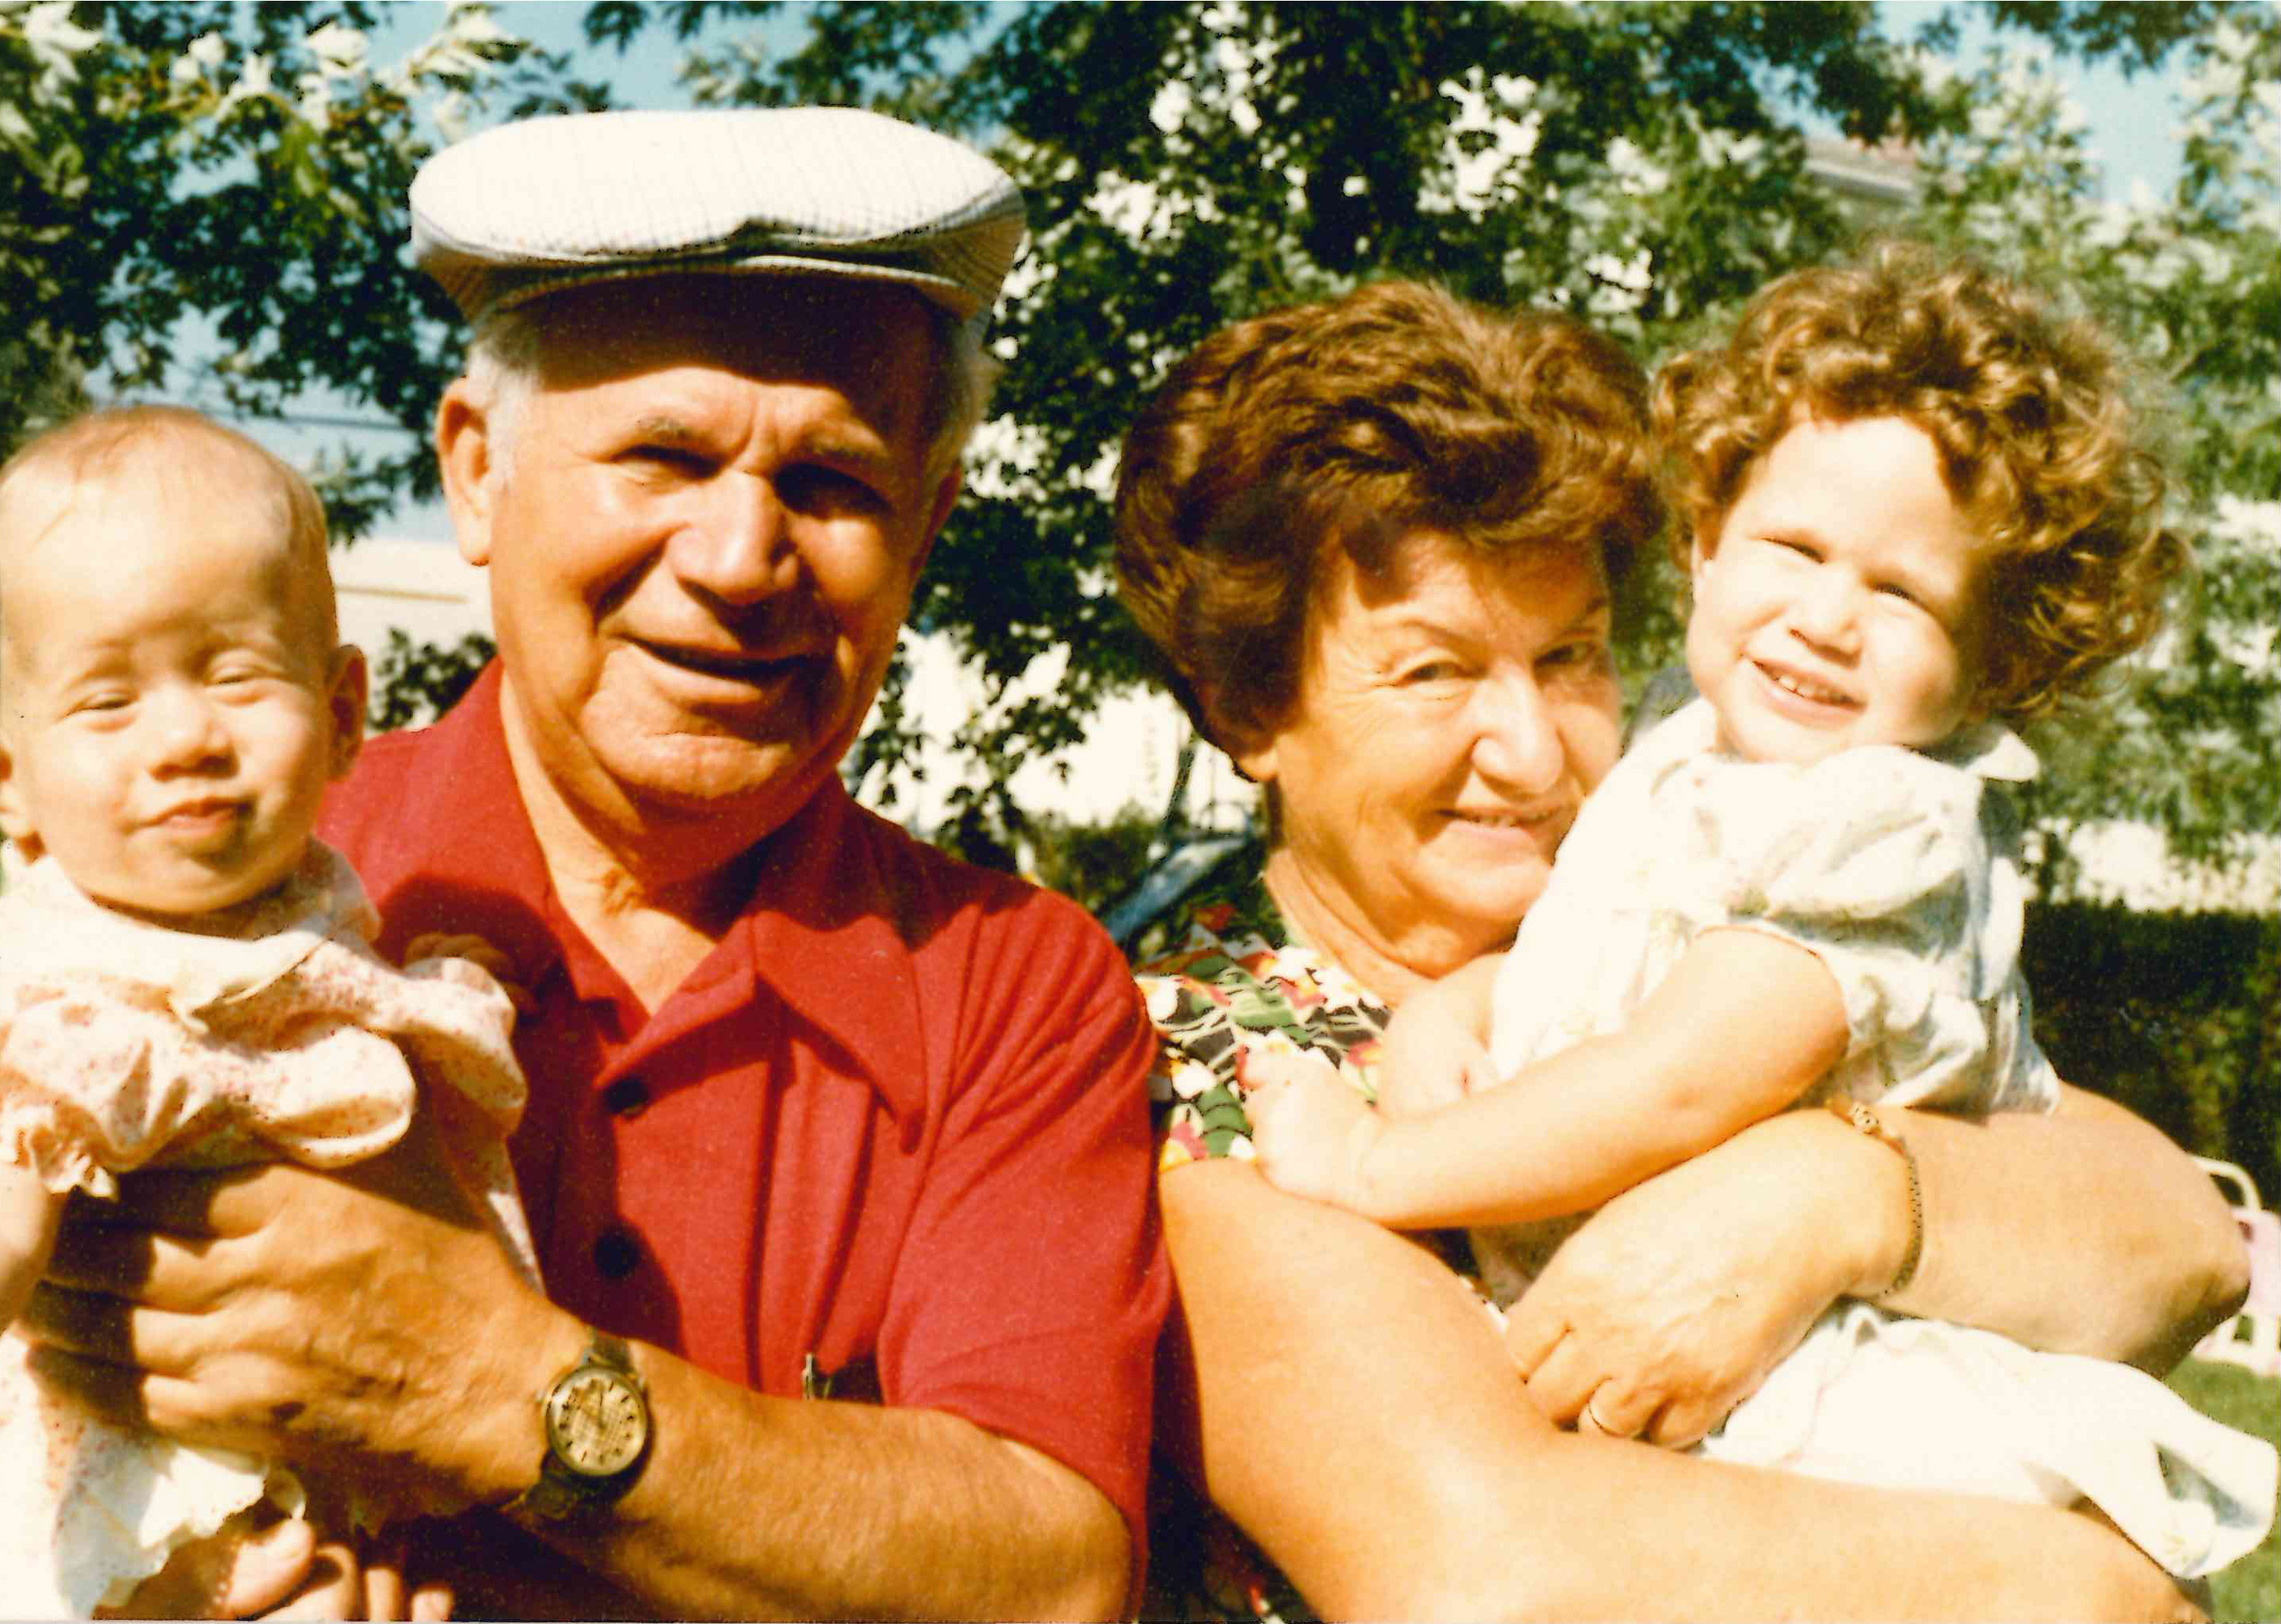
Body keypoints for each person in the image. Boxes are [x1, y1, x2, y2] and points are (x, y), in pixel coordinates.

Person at [17, 108, 1166, 1618]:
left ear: (929, 520)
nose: (740, 556)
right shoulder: (131, 911)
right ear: (476, 473)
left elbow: (1049, 1580)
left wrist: (505, 1385)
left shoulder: (1015, 987)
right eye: (664, 456)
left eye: (833, 482)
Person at [1114, 277, 2251, 1619]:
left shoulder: (1677, 919)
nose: (1532, 754)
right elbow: (1493, 1572)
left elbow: (2188, 1240)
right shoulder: (1203, 1077)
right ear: (1251, 706)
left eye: (1571, 656)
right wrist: (2086, 1593)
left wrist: (1835, 1197)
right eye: (1431, 671)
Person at [0, 407, 534, 1616]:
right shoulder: (65, 993)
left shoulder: (301, 912)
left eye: (236, 672)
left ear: (345, 711)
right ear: (10, 783)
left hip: (326, 1484)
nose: (188, 735)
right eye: (107, 702)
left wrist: (427, 980)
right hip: (133, 1514)